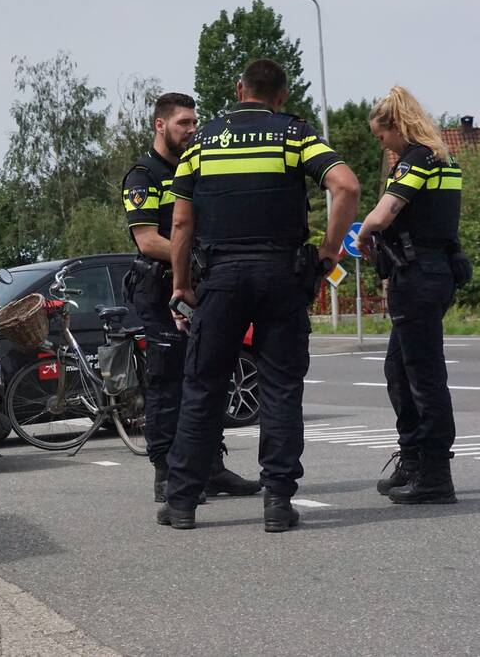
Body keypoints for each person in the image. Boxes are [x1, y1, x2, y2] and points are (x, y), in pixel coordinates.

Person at [159, 59, 360, 532]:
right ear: (282, 96)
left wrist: (181, 283)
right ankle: (277, 501)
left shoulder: (202, 141)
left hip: (221, 279)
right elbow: (346, 185)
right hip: (280, 277)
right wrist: (327, 256)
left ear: (239, 89)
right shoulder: (294, 134)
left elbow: (182, 223)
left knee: (203, 387)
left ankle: (183, 502)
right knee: (280, 388)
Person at [121, 92, 260, 503]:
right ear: (160, 125)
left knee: (210, 375)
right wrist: (196, 259)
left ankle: (210, 466)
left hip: (202, 288)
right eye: (184, 122)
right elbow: (147, 241)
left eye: (195, 122)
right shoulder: (142, 176)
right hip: (161, 290)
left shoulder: (198, 167)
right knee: (167, 382)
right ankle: (166, 472)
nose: (192, 129)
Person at [355, 86, 463, 504]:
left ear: (397, 126)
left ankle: (434, 474)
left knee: (423, 378)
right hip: (430, 273)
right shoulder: (441, 157)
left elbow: (384, 213)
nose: (381, 144)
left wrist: (363, 232)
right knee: (400, 371)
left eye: (381, 136)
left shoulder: (419, 157)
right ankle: (415, 459)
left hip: (418, 276)